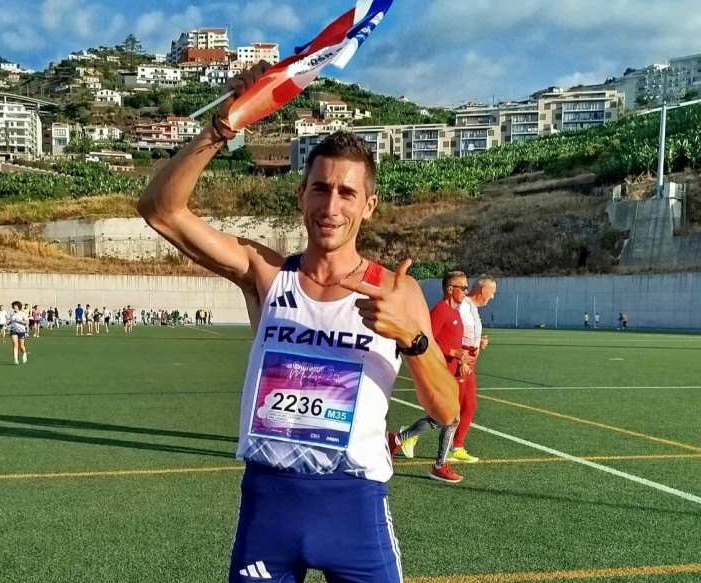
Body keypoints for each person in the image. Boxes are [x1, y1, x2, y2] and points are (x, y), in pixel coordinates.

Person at [138, 66, 459, 583]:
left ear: (369, 206)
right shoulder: (265, 274)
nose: (331, 207)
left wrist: (413, 340)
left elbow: (446, 411)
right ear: (301, 195)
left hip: (354, 509)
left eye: (347, 193)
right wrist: (223, 126)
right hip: (270, 507)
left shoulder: (398, 292)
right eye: (320, 189)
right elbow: (160, 210)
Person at [391, 271, 474, 484]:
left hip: (451, 374)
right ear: (450, 289)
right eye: (463, 287)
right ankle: (439, 466)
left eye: (466, 287)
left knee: (440, 419)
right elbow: (426, 341)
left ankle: (398, 439)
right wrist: (453, 353)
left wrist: (461, 360)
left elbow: (452, 343)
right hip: (438, 373)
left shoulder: (455, 313)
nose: (466, 291)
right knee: (451, 419)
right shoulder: (440, 311)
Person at [447, 275, 496, 463]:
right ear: (483, 290)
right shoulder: (462, 306)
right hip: (461, 361)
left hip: (470, 362)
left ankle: (456, 446)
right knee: (451, 408)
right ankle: (406, 436)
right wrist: (461, 360)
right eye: (492, 292)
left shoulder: (472, 308)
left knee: (470, 405)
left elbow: (467, 333)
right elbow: (453, 334)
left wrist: (478, 342)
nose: (492, 297)